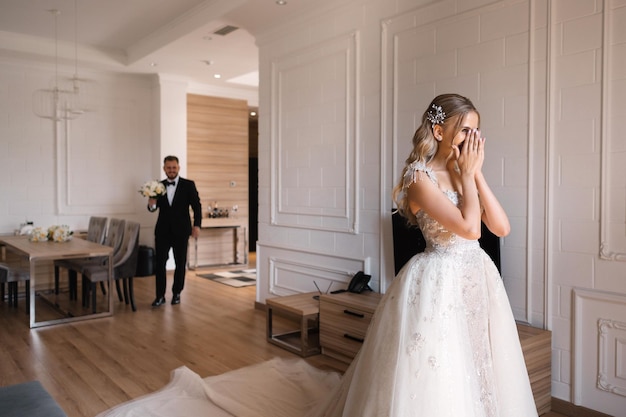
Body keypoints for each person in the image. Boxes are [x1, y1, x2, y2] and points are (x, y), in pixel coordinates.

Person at [308, 94, 538, 416]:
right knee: (442, 363)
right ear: (439, 131)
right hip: (439, 279)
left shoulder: (464, 172)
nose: (472, 140)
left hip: (476, 277)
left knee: (480, 360)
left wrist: (475, 173)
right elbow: (470, 230)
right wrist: (468, 176)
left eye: (476, 132)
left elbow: (500, 228)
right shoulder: (418, 177)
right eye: (464, 130)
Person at [147, 155, 202, 307]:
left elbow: (196, 206)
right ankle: (160, 296)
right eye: (168, 168)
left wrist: (197, 225)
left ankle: (177, 293)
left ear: (178, 168)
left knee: (180, 263)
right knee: (159, 264)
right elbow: (152, 208)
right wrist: (151, 204)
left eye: (174, 167)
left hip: (182, 231)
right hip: (162, 231)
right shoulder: (157, 186)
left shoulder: (188, 185)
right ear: (164, 168)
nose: (171, 170)